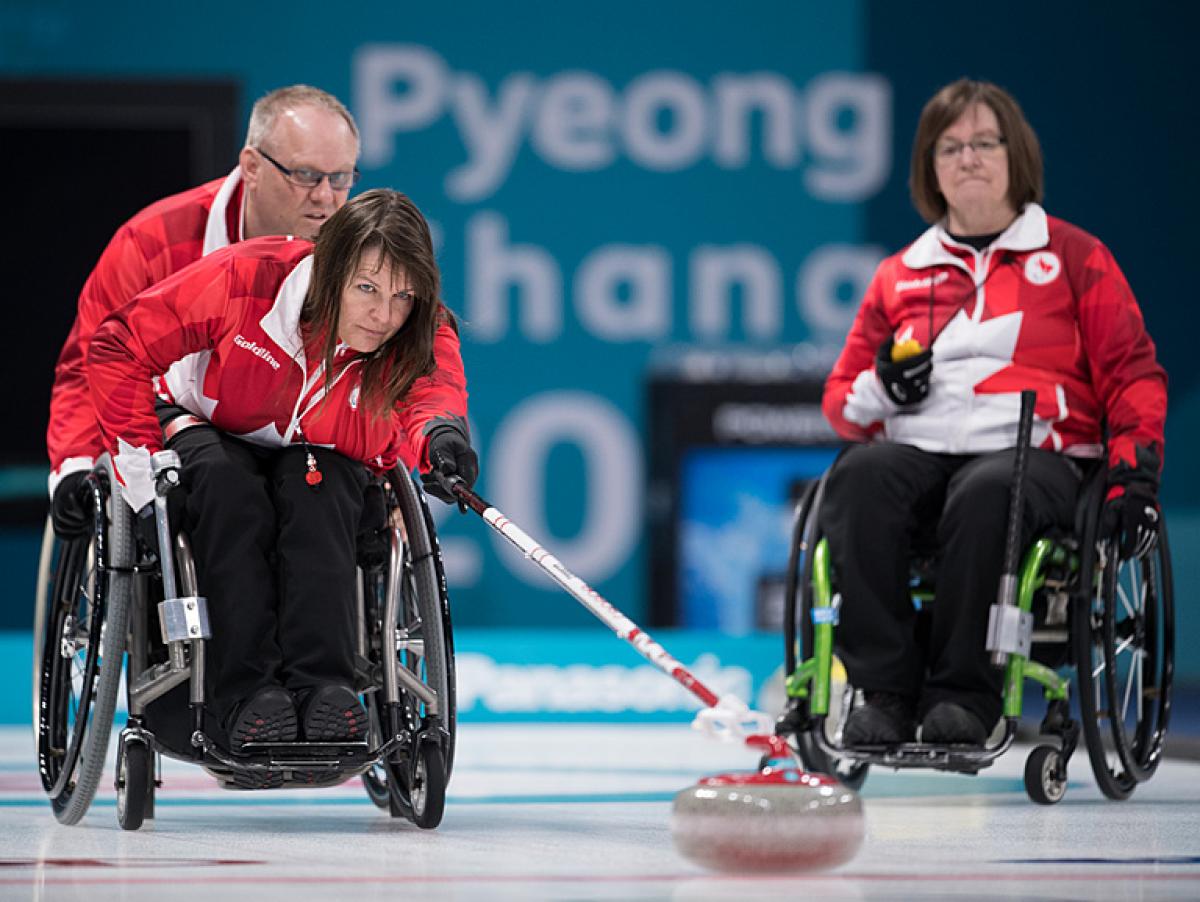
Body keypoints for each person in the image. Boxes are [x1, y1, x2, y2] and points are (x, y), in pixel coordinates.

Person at [820, 79, 1166, 746]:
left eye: (984, 142)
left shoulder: (1074, 257)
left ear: (1017, 157)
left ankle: (963, 695)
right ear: (930, 168)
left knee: (988, 492)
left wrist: (1134, 476)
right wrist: (886, 385)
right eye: (949, 147)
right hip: (923, 450)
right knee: (859, 476)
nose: (967, 158)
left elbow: (1132, 374)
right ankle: (885, 691)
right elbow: (843, 406)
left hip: (1038, 456)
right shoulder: (901, 273)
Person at [86, 189, 478, 752]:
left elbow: (432, 396)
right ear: (331, 270)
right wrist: (142, 479)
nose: (384, 315)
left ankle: (326, 689)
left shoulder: (419, 329)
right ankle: (245, 695)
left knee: (321, 487)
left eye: (402, 296)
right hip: (207, 419)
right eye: (367, 288)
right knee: (227, 488)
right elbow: (120, 344)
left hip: (318, 451)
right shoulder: (248, 280)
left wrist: (442, 438)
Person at [49, 84, 361, 536]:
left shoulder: (365, 262)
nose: (326, 198)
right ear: (251, 167)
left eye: (341, 178)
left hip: (302, 443)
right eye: (306, 175)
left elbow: (395, 370)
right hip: (182, 440)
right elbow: (91, 361)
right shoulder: (152, 242)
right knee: (220, 481)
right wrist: (76, 466)